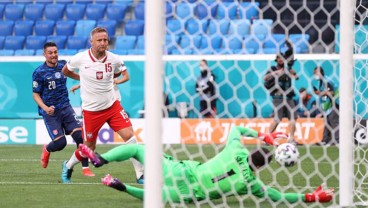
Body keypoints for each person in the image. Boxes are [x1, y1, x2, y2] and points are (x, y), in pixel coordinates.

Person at [78, 126, 334, 204]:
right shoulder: (252, 184)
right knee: (157, 198)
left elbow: (236, 129)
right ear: (263, 167)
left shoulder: (236, 149)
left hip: (183, 170)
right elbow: (279, 197)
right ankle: (121, 186)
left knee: (138, 148)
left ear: (250, 152)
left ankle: (102, 159)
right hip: (191, 194)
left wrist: (263, 136)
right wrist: (311, 196)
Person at [61, 27, 144, 184]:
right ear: (91, 42)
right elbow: (65, 70)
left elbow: (118, 72)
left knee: (130, 137)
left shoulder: (114, 59)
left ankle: (140, 175)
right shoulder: (81, 58)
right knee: (88, 149)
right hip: (91, 111)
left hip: (112, 106)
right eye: (99, 40)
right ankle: (68, 165)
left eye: (105, 40)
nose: (103, 43)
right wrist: (81, 78)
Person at [32, 42, 95, 178]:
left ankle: (85, 168)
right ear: (44, 54)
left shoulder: (63, 65)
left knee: (80, 137)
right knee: (61, 143)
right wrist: (45, 108)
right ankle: (47, 148)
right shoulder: (38, 72)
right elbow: (35, 94)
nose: (54, 55)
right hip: (51, 112)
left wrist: (84, 79)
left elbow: (72, 73)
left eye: (55, 52)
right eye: (50, 52)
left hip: (66, 107)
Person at [263, 40, 298, 144]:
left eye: (282, 58)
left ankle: (291, 138)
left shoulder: (287, 69)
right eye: (278, 58)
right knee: (277, 118)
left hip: (288, 96)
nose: (280, 60)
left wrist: (293, 73)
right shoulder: (273, 68)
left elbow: (296, 77)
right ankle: (267, 137)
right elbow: (265, 78)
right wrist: (276, 73)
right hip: (277, 97)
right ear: (276, 60)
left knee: (293, 118)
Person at [311, 66, 339, 145]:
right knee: (327, 123)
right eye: (314, 73)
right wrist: (319, 92)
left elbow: (331, 93)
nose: (315, 75)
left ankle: (338, 140)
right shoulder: (322, 81)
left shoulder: (327, 81)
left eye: (316, 73)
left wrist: (320, 93)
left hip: (334, 104)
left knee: (334, 122)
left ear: (321, 73)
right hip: (328, 106)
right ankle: (325, 140)